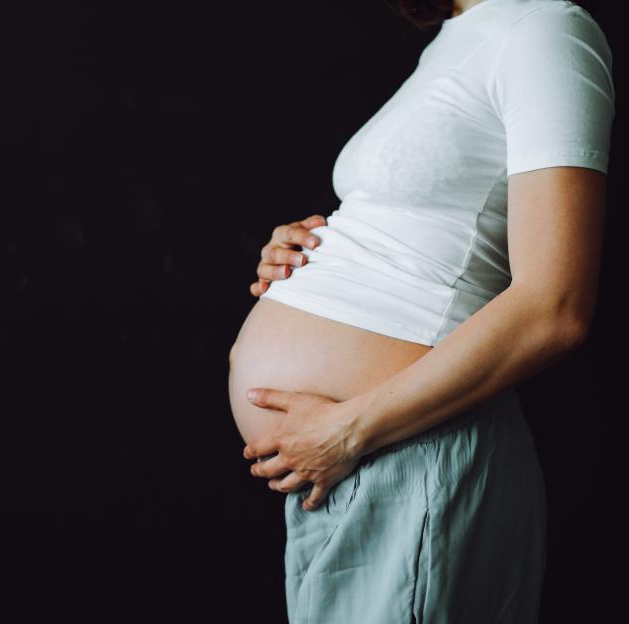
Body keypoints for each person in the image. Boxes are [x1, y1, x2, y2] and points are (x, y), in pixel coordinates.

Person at [225, 0, 615, 622]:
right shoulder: (458, 36)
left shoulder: (547, 29)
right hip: (352, 466)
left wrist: (348, 430)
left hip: (403, 449)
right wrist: (311, 250)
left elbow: (555, 306)